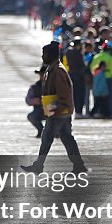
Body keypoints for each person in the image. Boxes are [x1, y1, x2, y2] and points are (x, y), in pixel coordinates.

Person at [21, 42, 89, 175]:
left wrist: (57, 109)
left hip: (58, 111)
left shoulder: (57, 71)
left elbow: (63, 92)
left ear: (49, 55)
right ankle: (79, 165)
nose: (42, 56)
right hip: (60, 110)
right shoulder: (53, 68)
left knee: (47, 138)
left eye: (44, 54)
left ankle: (38, 166)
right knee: (67, 137)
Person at [25, 71, 45, 138]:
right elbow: (28, 100)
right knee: (32, 116)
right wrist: (37, 101)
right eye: (42, 75)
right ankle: (41, 130)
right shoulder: (35, 87)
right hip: (39, 110)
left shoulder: (55, 85)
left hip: (53, 110)